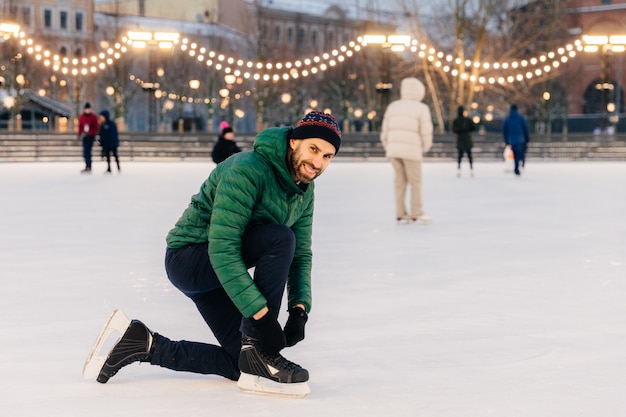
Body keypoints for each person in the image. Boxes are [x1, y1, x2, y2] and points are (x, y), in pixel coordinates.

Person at [92, 111, 341, 393]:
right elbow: (223, 247)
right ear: (294, 142)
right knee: (279, 238)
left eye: (327, 156)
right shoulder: (248, 169)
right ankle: (258, 347)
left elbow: (302, 254)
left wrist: (299, 310)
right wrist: (262, 319)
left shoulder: (304, 191)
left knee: (243, 365)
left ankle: (144, 343)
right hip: (190, 258)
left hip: (220, 274)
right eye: (314, 149)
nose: (318, 163)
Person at [380, 77, 433, 224]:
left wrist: (388, 146)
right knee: (415, 182)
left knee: (399, 182)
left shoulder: (393, 106)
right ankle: (416, 212)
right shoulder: (422, 108)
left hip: (394, 151)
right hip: (412, 151)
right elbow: (426, 131)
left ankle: (400, 213)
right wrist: (424, 147)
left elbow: (385, 130)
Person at [502, 104, 530, 176]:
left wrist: (506, 140)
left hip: (511, 139)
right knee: (520, 153)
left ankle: (516, 166)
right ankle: (520, 163)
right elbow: (525, 128)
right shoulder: (521, 118)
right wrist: (527, 137)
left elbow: (505, 130)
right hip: (521, 139)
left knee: (515, 154)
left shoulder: (508, 119)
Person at [452, 105, 476, 177]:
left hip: (461, 139)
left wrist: (460, 130)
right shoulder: (467, 120)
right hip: (466, 139)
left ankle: (459, 169)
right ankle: (471, 168)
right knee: (469, 155)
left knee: (460, 155)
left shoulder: (457, 120)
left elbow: (454, 129)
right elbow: (473, 127)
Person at [77, 102, 99, 174]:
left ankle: (89, 166)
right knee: (85, 151)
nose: (87, 110)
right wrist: (79, 133)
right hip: (84, 135)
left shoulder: (93, 117)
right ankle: (87, 165)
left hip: (91, 136)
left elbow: (95, 127)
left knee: (88, 151)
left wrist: (91, 133)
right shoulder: (82, 116)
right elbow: (80, 126)